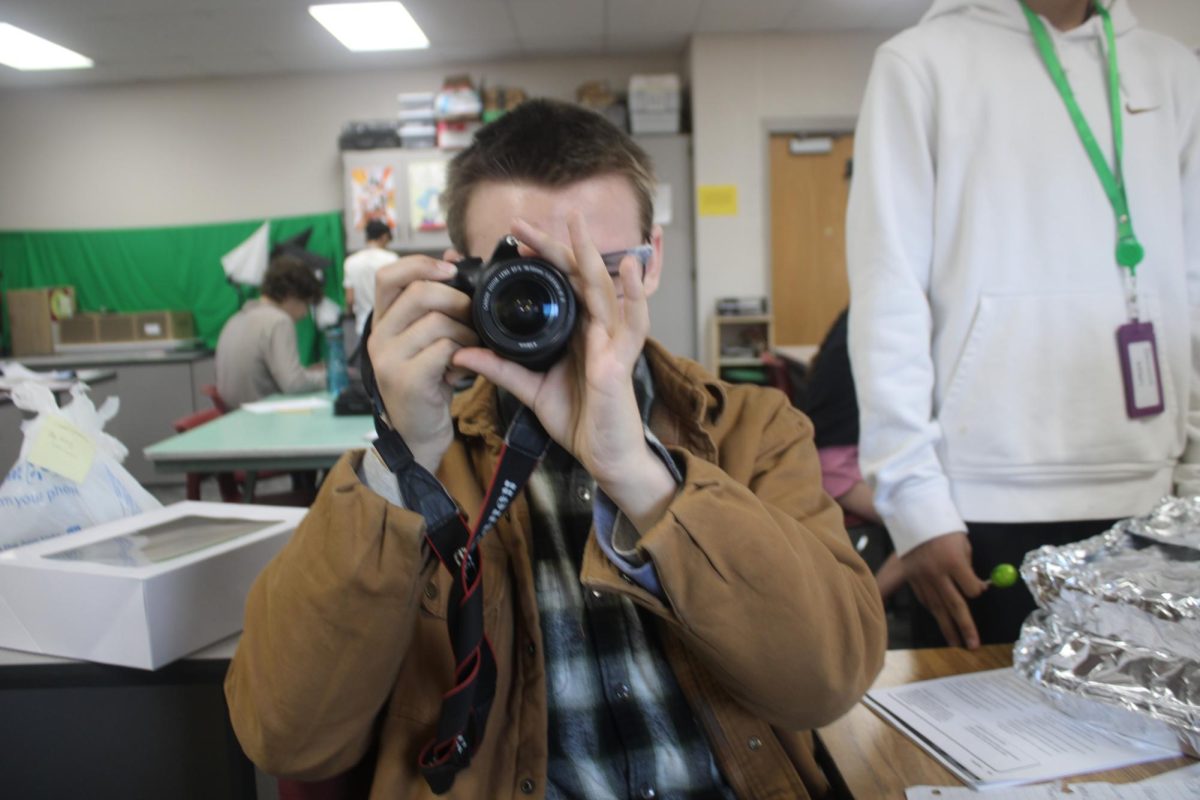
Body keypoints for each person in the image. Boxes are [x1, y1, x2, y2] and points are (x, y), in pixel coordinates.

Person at [226, 99, 885, 799]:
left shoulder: (753, 429)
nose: (563, 307)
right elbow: (285, 738)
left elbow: (828, 684)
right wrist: (404, 459)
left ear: (652, 260)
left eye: (599, 270)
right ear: (460, 280)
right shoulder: (422, 458)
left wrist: (640, 475)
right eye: (526, 275)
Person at [846, 0, 1200, 649]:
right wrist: (915, 508)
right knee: (983, 740)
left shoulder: (1175, 72)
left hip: (1154, 496)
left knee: (1155, 745)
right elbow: (888, 292)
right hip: (977, 506)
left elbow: (1192, 289)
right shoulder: (920, 64)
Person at [215, 254, 327, 410]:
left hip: (236, 416)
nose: (304, 315)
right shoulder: (279, 321)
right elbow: (294, 384)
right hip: (266, 419)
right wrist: (328, 377)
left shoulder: (235, 319)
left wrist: (306, 374)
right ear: (291, 295)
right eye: (306, 304)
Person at [343, 218, 396, 334]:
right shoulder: (391, 259)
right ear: (384, 236)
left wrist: (349, 313)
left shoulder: (351, 262)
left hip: (362, 326)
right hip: (388, 325)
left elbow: (350, 299)